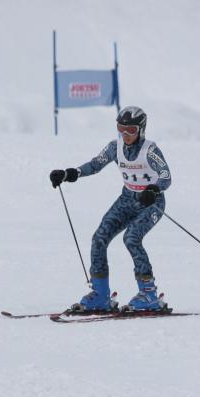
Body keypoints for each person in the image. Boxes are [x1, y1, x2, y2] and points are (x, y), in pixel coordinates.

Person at [49, 106, 172, 312]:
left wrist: (154, 189)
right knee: (99, 238)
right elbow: (95, 165)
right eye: (120, 129)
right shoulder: (115, 147)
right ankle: (100, 295)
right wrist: (69, 173)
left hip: (150, 203)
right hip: (127, 199)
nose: (125, 134)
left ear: (141, 129)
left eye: (130, 130)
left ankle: (149, 294)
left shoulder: (149, 151)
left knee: (131, 238)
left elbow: (166, 176)